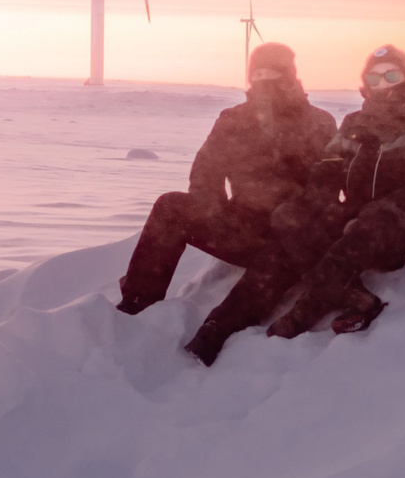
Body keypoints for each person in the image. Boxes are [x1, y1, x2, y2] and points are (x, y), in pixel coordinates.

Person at [117, 41, 337, 361]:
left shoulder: (319, 122)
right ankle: (136, 307)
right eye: (258, 73)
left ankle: (217, 329)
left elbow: (326, 188)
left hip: (289, 239)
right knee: (170, 206)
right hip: (241, 224)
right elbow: (206, 172)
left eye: (273, 72)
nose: (265, 79)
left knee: (277, 259)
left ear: (290, 76)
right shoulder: (233, 118)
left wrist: (295, 223)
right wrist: (215, 214)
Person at [264, 42, 405, 339]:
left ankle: (307, 309)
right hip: (358, 220)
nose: (382, 84)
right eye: (374, 77)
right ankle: (354, 297)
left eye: (391, 75)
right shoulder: (355, 123)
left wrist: (382, 210)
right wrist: (320, 204)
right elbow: (327, 166)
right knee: (289, 215)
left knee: (372, 221)